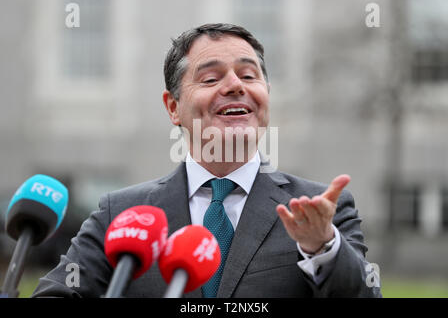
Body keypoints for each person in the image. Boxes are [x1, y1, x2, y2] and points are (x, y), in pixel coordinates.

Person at [32, 23, 381, 298]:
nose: (234, 86)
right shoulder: (122, 215)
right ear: (173, 107)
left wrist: (322, 246)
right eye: (211, 78)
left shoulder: (321, 213)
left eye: (248, 76)